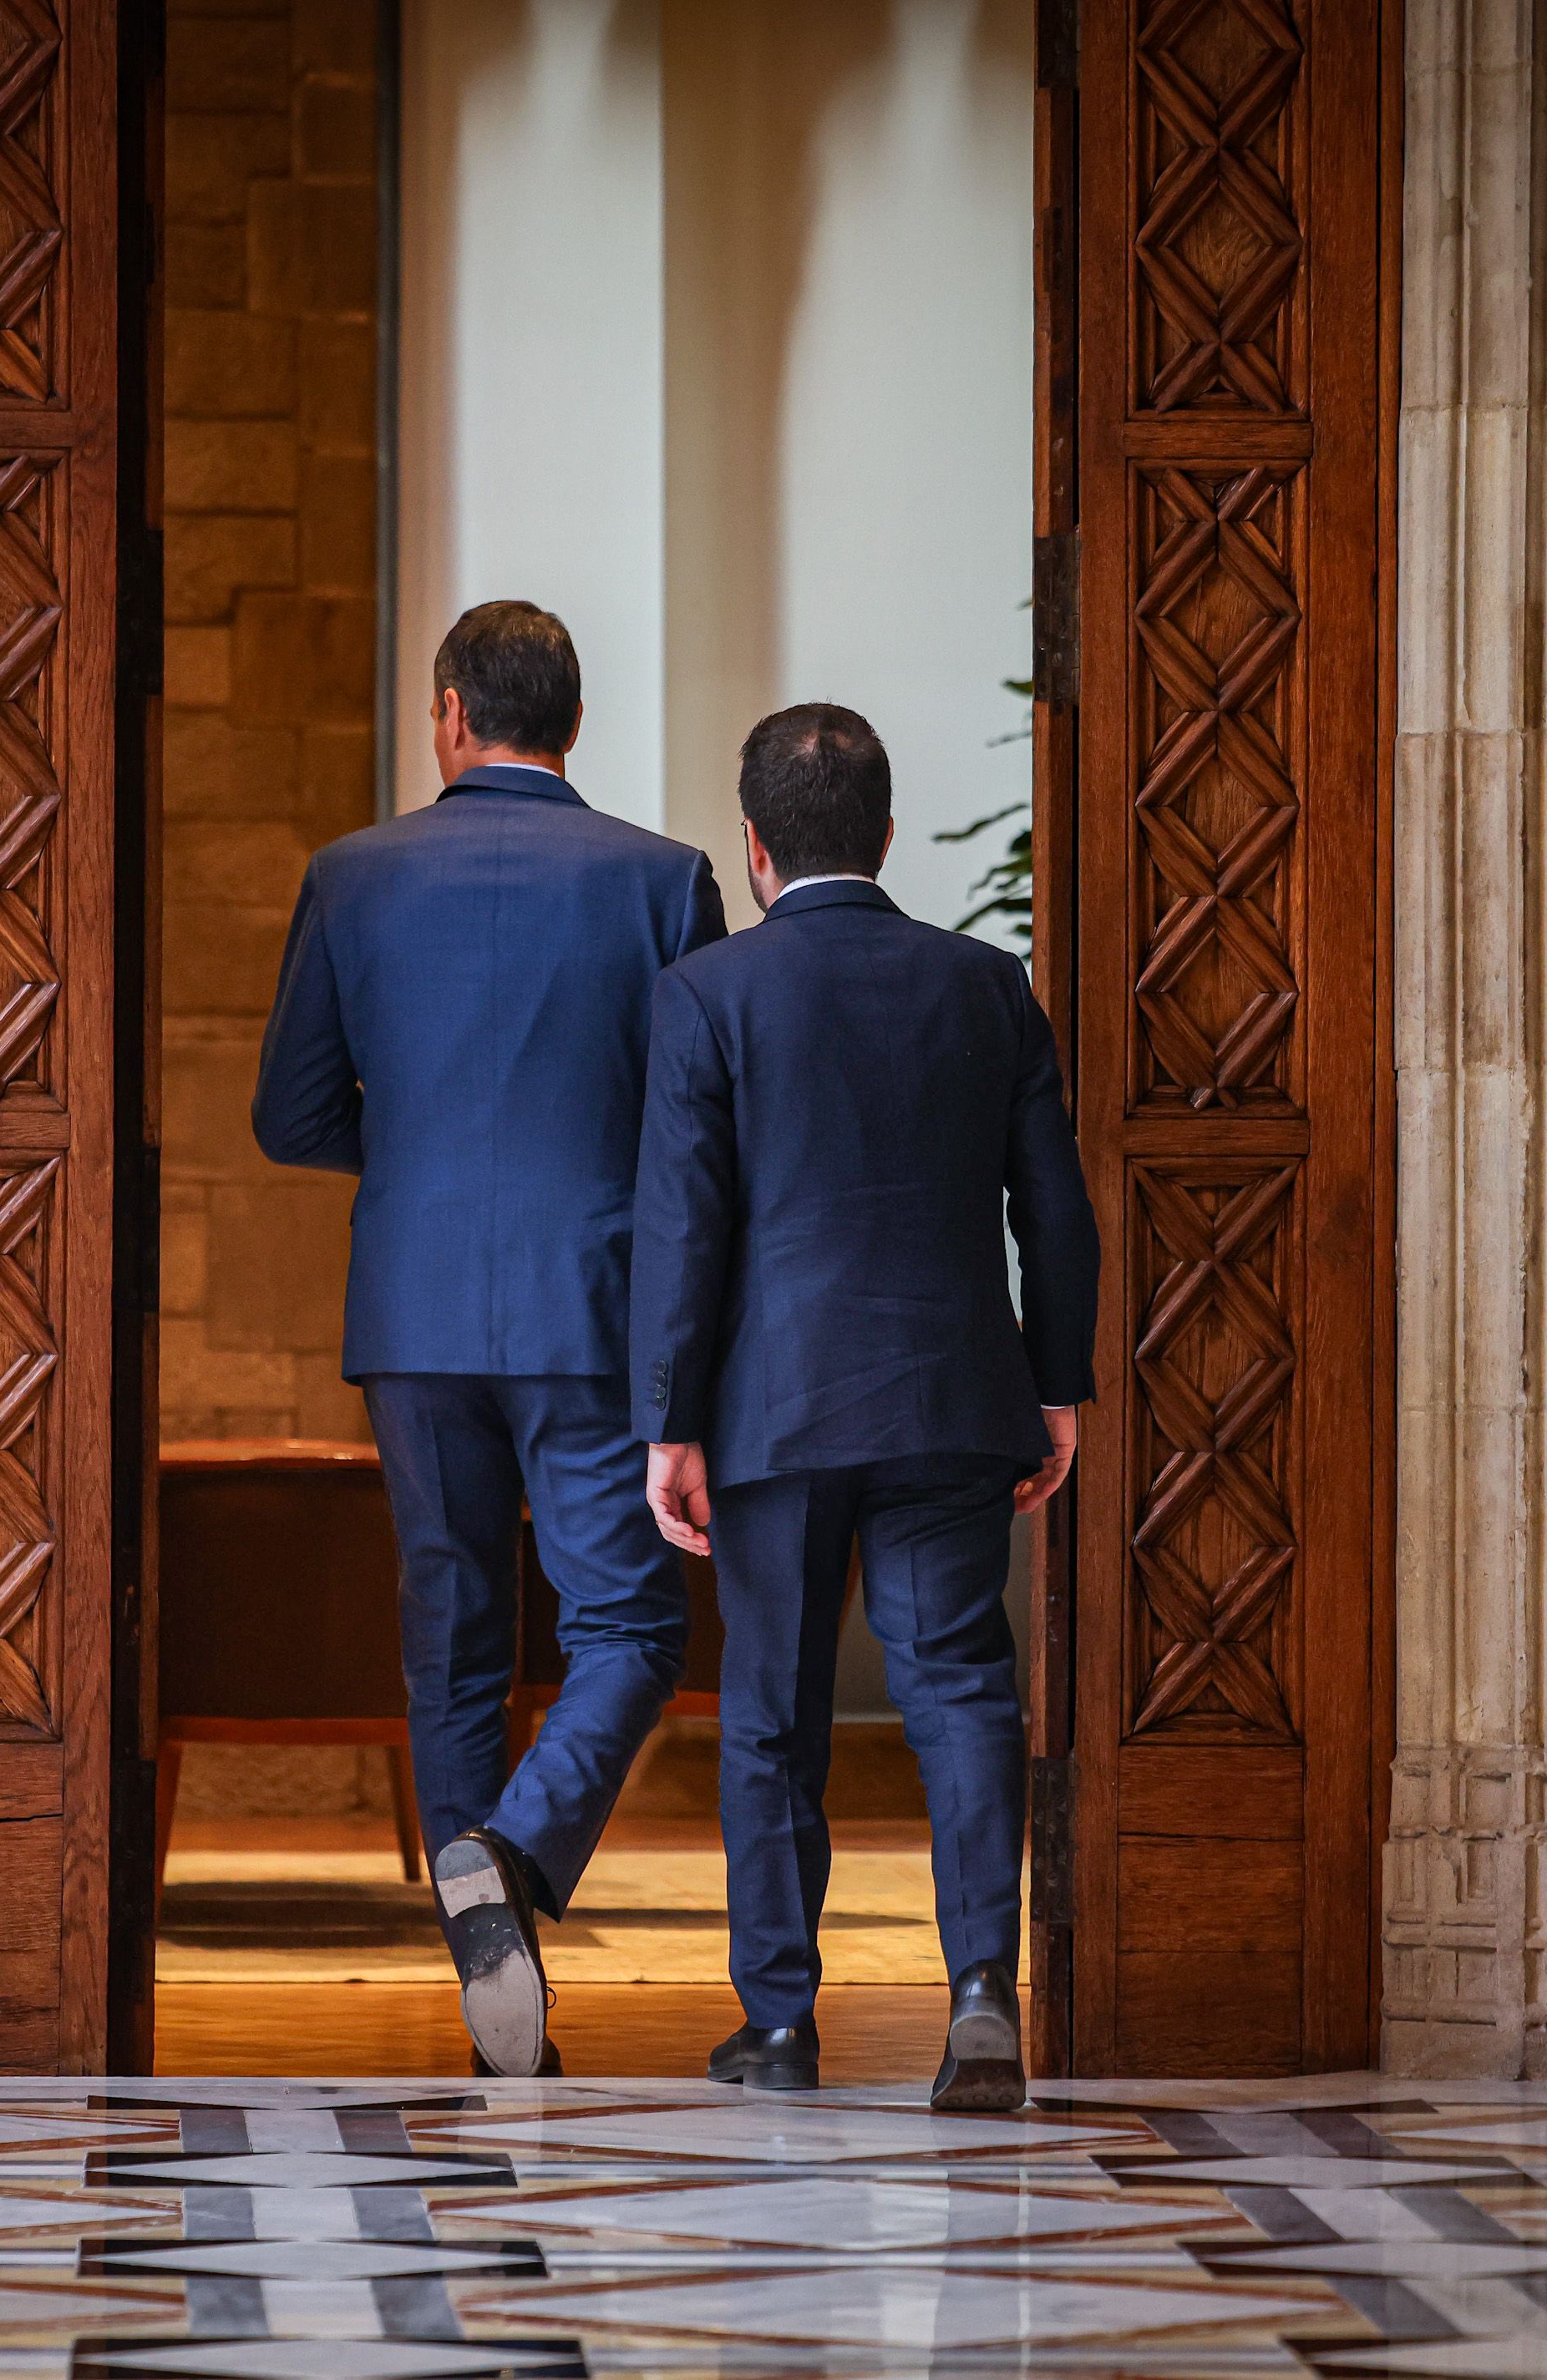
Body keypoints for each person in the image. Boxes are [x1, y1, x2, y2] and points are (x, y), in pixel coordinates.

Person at [252, 600, 724, 2079]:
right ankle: (509, 1861)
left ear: (448, 714)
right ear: (573, 725)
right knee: (631, 1627)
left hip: (414, 1304)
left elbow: (290, 1113)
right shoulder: (668, 880)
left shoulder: (351, 875)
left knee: (450, 1636)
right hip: (595, 1306)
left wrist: (422, 1163)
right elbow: (693, 1128)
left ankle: (487, 1939)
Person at [630, 701, 1098, 2112]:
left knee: (770, 1711)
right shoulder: (987, 985)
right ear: (888, 836)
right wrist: (1057, 1381)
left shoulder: (710, 995)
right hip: (954, 1396)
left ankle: (779, 2022)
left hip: (771, 1413)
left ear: (755, 848)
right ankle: (977, 1996)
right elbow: (1053, 1208)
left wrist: (671, 1419)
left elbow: (684, 1223)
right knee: (959, 1685)